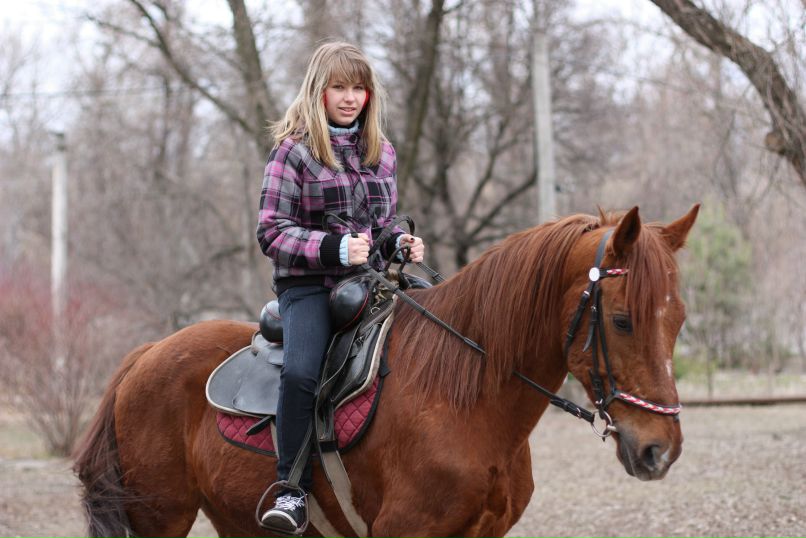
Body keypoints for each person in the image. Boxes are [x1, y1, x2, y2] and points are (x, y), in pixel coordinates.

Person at [256, 41, 425, 533]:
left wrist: (400, 242)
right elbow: (271, 231)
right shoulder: (293, 150)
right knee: (302, 372)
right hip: (307, 287)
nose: (350, 98)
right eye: (339, 87)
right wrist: (332, 249)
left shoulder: (382, 152)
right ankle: (290, 489)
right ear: (319, 91)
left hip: (368, 283)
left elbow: (382, 223)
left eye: (359, 88)